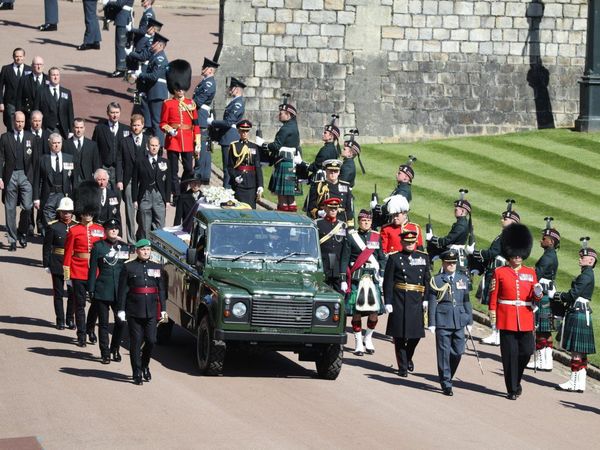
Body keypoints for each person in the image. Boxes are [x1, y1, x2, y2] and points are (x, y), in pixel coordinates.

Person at [488, 223, 543, 400]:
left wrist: (538, 295)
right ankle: (512, 388)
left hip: (525, 317)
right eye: (515, 254)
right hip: (506, 317)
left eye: (520, 254)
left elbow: (535, 297)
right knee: (509, 356)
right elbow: (494, 295)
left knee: (526, 352)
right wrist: (493, 313)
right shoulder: (500, 272)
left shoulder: (530, 272)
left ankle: (516, 379)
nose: (518, 257)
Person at [117, 238, 167, 385]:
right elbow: (123, 291)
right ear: (137, 251)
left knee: (151, 341)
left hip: (151, 310)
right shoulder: (128, 267)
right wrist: (121, 309)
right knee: (136, 342)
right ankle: (137, 372)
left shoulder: (157, 267)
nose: (146, 252)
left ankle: (145, 365)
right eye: (143, 250)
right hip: (134, 310)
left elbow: (161, 290)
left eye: (148, 250)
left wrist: (163, 309)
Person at [470, 200, 520, 345]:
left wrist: (476, 252)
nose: (502, 220)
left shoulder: (507, 235)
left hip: (498, 270)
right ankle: (496, 332)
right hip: (498, 269)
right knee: (495, 303)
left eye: (505, 218)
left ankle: (496, 333)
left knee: (495, 303)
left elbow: (493, 252)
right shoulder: (505, 234)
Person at [63, 181, 105, 347]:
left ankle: (90, 329)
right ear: (80, 213)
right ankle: (81, 335)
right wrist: (67, 274)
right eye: (85, 212)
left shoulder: (100, 230)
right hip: (78, 270)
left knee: (95, 304)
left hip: (95, 272)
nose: (87, 215)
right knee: (79, 305)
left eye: (90, 212)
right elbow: (68, 254)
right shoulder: (73, 230)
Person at [384, 230, 430, 377]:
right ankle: (402, 367)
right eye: (407, 243)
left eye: (412, 242)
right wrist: (388, 301)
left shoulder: (423, 258)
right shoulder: (395, 258)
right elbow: (388, 281)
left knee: (415, 335)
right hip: (399, 299)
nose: (410, 245)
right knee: (399, 335)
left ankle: (407, 357)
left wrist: (427, 299)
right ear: (402, 243)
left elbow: (427, 280)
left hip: (416, 300)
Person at [340, 209, 386, 356]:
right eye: (363, 221)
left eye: (368, 221)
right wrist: (343, 279)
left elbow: (381, 257)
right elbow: (345, 259)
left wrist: (383, 274)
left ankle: (368, 338)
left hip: (373, 277)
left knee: (374, 312)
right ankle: (358, 342)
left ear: (371, 222)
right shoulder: (351, 236)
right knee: (357, 312)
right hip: (356, 277)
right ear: (359, 221)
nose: (366, 223)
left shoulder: (376, 236)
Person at [427, 249, 473, 396]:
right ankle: (446, 382)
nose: (452, 265)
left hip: (459, 320)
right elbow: (432, 302)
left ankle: (448, 375)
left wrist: (469, 319)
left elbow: (466, 300)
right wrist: (432, 322)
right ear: (444, 263)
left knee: (458, 351)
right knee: (443, 353)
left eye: (454, 263)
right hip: (443, 320)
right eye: (449, 263)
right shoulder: (437, 280)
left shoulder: (463, 279)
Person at [552, 238, 596, 393]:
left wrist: (557, 295)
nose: (579, 259)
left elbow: (573, 294)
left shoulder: (586, 275)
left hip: (578, 311)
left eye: (582, 257)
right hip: (581, 311)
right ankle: (580, 383)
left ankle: (573, 381)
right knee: (580, 352)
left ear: (591, 261)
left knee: (576, 351)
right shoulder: (587, 274)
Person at [88, 218, 129, 364]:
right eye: (111, 228)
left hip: (120, 291)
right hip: (103, 290)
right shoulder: (98, 247)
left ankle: (115, 348)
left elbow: (127, 271)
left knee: (120, 322)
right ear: (105, 231)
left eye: (116, 228)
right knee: (104, 323)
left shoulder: (124, 248)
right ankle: (105, 352)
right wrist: (91, 289)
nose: (114, 231)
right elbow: (93, 270)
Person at [160, 59, 200, 203]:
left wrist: (198, 142)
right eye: (178, 89)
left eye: (182, 88)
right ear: (174, 88)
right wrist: (169, 130)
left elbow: (196, 124)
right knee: (173, 170)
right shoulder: (168, 104)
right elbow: (163, 123)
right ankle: (176, 195)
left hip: (188, 140)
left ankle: (182, 191)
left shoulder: (191, 104)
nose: (180, 91)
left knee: (189, 169)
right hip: (173, 141)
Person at [0, 111, 37, 251]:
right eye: (17, 121)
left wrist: (33, 179)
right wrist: (0, 177)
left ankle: (22, 232)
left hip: (26, 176)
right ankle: (12, 240)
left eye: (22, 121)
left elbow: (35, 161)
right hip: (10, 176)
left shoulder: (31, 138)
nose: (20, 124)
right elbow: (0, 158)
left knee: (27, 206)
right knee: (10, 208)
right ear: (13, 121)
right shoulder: (5, 138)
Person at [527, 218, 560, 371]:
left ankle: (541, 361)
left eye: (544, 238)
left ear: (551, 242)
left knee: (541, 328)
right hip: (548, 292)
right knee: (545, 330)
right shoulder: (551, 254)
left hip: (543, 294)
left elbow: (537, 275)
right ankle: (547, 361)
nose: (541, 240)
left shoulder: (547, 257)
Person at [43, 197, 77, 330]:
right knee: (58, 293)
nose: (66, 214)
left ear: (72, 212)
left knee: (72, 293)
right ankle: (60, 320)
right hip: (57, 261)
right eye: (63, 211)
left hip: (72, 263)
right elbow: (47, 246)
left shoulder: (76, 225)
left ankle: (70, 319)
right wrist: (46, 263)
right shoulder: (53, 226)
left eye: (68, 211)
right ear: (59, 212)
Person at [261, 98, 301, 211]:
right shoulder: (294, 127)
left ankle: (283, 218)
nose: (279, 115)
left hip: (283, 162)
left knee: (282, 196)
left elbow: (276, 146)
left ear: (288, 115)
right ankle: (292, 219)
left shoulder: (285, 128)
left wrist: (264, 145)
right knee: (291, 197)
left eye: (281, 113)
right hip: (291, 163)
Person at [208, 77, 245, 188]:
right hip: (227, 136)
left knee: (228, 168)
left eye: (231, 88)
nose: (229, 90)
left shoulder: (237, 103)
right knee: (227, 167)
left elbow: (229, 122)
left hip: (230, 138)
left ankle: (227, 191)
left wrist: (213, 122)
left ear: (237, 89)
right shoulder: (234, 102)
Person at [33, 132, 74, 231]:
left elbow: (74, 180)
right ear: (49, 143)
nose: (56, 145)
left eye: (58, 143)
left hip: (64, 194)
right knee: (49, 223)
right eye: (54, 143)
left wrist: (74, 197)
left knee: (63, 221)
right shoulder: (42, 159)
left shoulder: (69, 158)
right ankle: (49, 241)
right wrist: (36, 198)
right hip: (48, 195)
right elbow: (36, 180)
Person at [133, 33, 169, 143]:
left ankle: (159, 146)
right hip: (150, 91)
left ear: (160, 45)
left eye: (154, 43)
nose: (152, 45)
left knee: (156, 122)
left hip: (157, 92)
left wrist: (140, 75)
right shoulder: (155, 56)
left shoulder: (160, 58)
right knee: (153, 120)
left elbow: (154, 76)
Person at [132, 136, 170, 239]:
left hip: (159, 197)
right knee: (144, 226)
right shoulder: (140, 161)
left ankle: (158, 248)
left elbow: (168, 182)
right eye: (152, 145)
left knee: (160, 226)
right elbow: (135, 181)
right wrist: (135, 199)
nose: (154, 148)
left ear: (159, 147)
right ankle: (145, 247)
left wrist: (167, 199)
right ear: (147, 146)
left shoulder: (165, 162)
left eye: (156, 145)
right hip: (145, 196)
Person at [116, 114, 147, 244]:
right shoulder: (124, 141)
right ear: (131, 126)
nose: (136, 127)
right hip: (128, 180)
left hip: (143, 181)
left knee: (143, 211)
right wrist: (120, 180)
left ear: (143, 126)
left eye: (138, 125)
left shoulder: (148, 141)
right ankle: (131, 241)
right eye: (134, 125)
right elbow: (119, 161)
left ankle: (141, 236)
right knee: (130, 211)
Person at [426, 189, 471, 268]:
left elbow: (447, 241)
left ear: (462, 211)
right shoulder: (462, 222)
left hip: (454, 254)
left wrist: (432, 238)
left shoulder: (461, 225)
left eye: (456, 209)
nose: (454, 210)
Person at [92, 102, 131, 190]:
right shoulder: (99, 128)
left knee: (118, 197)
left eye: (117, 112)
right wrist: (97, 167)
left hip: (120, 170)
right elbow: (94, 148)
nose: (115, 115)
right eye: (112, 112)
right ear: (107, 113)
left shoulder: (126, 129)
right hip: (104, 167)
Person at [193, 57, 219, 184]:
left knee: (202, 147)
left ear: (210, 70)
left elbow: (198, 100)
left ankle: (200, 173)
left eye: (204, 67)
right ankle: (203, 173)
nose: (202, 69)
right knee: (203, 147)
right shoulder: (205, 81)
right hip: (200, 114)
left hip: (201, 116)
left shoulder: (209, 83)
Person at [227, 119, 263, 209]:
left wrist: (260, 185)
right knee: (239, 209)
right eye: (242, 131)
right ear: (239, 131)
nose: (244, 133)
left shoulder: (254, 146)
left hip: (251, 183)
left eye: (246, 131)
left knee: (251, 209)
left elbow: (258, 167)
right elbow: (230, 166)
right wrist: (235, 177)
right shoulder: (234, 146)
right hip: (239, 183)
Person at [307, 159, 354, 227]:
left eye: (335, 171)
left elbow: (349, 209)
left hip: (341, 221)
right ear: (326, 171)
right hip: (323, 220)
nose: (333, 173)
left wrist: (350, 226)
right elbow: (311, 207)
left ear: (339, 172)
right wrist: (319, 212)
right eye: (330, 171)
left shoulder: (345, 186)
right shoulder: (318, 186)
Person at [371, 156, 415, 229]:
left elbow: (394, 206)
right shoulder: (401, 187)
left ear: (406, 178)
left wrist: (377, 207)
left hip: (395, 223)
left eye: (399, 173)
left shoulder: (403, 190)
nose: (396, 174)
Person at [316, 197, 347, 291]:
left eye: (335, 208)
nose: (333, 211)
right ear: (325, 208)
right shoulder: (318, 224)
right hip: (323, 264)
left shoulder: (342, 225)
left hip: (337, 265)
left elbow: (345, 248)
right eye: (330, 208)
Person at [34, 67, 74, 139]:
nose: (55, 77)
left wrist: (71, 130)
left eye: (57, 75)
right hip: (47, 129)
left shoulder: (66, 92)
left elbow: (70, 113)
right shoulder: (41, 92)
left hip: (63, 129)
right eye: (53, 75)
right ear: (49, 77)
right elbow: (36, 110)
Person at [63, 118, 101, 187]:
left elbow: (96, 164)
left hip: (87, 180)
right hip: (71, 181)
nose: (79, 130)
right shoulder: (65, 144)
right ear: (73, 128)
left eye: (81, 127)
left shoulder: (92, 145)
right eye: (77, 127)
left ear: (84, 128)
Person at [0, 48, 30, 132]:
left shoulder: (29, 70)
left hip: (25, 104)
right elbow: (0, 86)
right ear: (13, 57)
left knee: (25, 127)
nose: (18, 58)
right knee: (11, 127)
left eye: (20, 56)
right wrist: (1, 102)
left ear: (24, 57)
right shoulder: (6, 69)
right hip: (10, 104)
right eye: (16, 56)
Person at [105, 0, 135, 77]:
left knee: (120, 45)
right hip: (123, 18)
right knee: (121, 44)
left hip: (123, 19)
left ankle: (121, 69)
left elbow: (119, 4)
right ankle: (123, 68)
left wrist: (108, 2)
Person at [16, 56, 45, 127]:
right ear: (32, 66)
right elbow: (19, 98)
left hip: (44, 116)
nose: (39, 67)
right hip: (28, 115)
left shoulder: (48, 80)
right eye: (36, 64)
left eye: (40, 64)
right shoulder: (24, 79)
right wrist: (19, 113)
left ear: (43, 66)